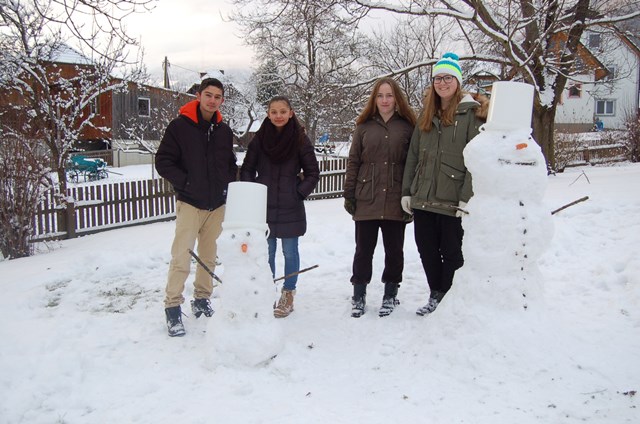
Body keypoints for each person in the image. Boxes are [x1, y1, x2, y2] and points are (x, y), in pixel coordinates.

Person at [401, 52, 488, 316]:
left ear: (458, 81)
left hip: (452, 200)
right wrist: (407, 191)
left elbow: (477, 159)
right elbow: (413, 155)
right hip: (424, 196)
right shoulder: (427, 115)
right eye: (438, 78)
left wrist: (466, 197)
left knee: (452, 252)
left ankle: (449, 297)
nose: (443, 83)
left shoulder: (471, 115)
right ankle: (435, 294)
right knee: (426, 250)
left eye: (448, 77)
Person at [155, 78, 238, 337]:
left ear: (222, 100)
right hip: (190, 203)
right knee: (182, 256)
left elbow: (228, 164)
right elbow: (163, 161)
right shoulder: (180, 127)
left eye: (218, 96)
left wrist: (228, 188)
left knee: (209, 256)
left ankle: (202, 299)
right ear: (199, 96)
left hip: (217, 206)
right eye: (208, 95)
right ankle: (172, 307)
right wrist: (187, 183)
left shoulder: (223, 130)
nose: (213, 100)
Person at [343, 77, 417, 318]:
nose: (385, 100)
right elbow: (354, 160)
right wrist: (349, 193)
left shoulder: (408, 126)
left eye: (389, 95)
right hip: (367, 196)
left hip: (396, 197)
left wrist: (410, 194)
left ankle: (390, 293)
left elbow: (413, 163)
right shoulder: (363, 126)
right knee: (363, 249)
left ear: (397, 99)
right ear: (374, 100)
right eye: (380, 96)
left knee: (394, 250)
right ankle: (359, 293)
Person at [240, 96, 320, 318]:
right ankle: (268, 293)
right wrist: (252, 191)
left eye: (283, 111)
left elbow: (313, 173)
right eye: (273, 111)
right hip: (263, 207)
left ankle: (288, 293)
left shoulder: (300, 140)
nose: (278, 115)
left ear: (291, 112)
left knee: (290, 251)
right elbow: (247, 168)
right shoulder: (259, 140)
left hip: (290, 206)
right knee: (267, 252)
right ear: (267, 113)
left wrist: (298, 192)